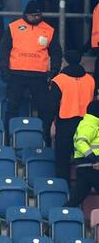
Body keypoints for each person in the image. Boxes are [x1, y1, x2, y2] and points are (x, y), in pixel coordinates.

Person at [0, 1, 63, 145]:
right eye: (33, 15)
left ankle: (45, 138)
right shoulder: (14, 27)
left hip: (39, 76)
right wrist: (4, 70)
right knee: (12, 107)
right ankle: (8, 139)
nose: (35, 18)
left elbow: (57, 53)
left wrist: (54, 71)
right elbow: (3, 50)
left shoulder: (49, 29)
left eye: (38, 15)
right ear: (26, 14)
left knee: (44, 109)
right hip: (16, 74)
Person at [50, 50, 95, 180]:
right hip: (86, 124)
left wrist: (49, 124)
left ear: (66, 61)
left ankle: (64, 190)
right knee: (85, 160)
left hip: (65, 124)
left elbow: (52, 105)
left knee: (63, 160)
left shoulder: (59, 80)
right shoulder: (90, 80)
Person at [65, 101, 99, 207]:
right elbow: (81, 142)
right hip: (91, 166)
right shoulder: (90, 124)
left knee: (76, 198)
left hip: (85, 167)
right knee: (77, 197)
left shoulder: (89, 123)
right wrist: (94, 159)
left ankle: (62, 215)